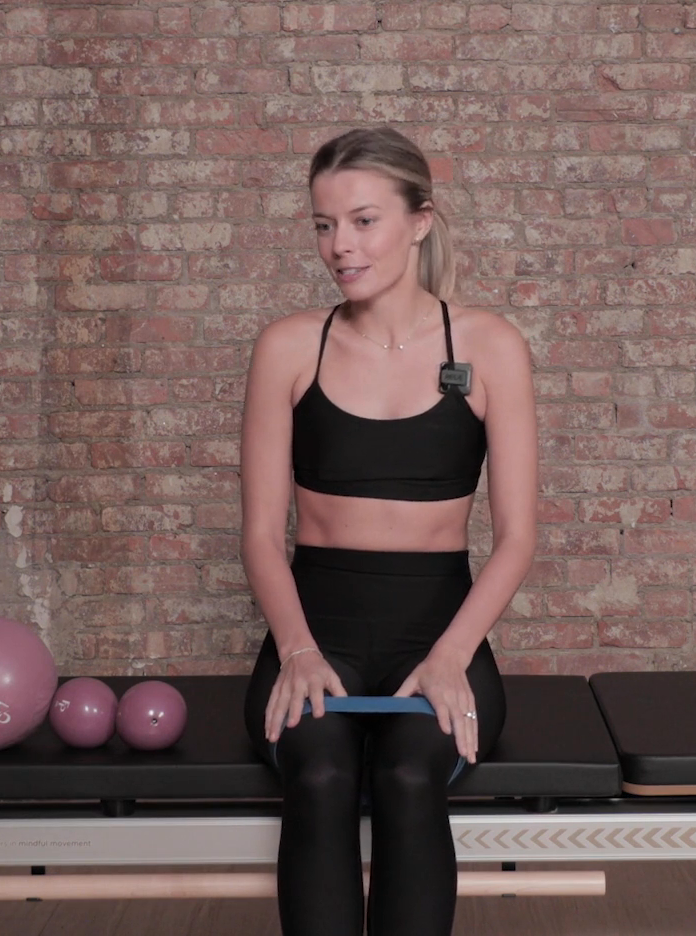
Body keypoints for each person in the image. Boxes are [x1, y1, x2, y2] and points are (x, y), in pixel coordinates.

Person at [240, 126, 537, 935]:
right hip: (315, 632)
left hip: (439, 634)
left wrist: (450, 658)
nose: (340, 245)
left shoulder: (489, 347)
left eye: (364, 221)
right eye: (324, 225)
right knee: (321, 779)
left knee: (409, 779)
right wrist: (296, 651)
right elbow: (261, 535)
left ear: (420, 221)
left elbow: (517, 537)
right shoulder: (289, 347)